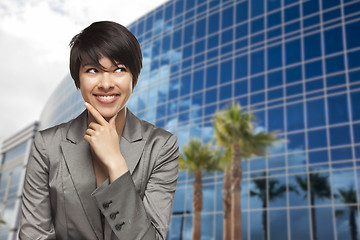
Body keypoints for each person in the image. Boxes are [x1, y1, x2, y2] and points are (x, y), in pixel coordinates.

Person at [19, 21, 179, 240]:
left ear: (134, 77)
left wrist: (116, 163)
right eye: (93, 70)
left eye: (119, 70)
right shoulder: (47, 145)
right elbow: (33, 235)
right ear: (78, 79)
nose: (106, 83)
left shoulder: (161, 146)